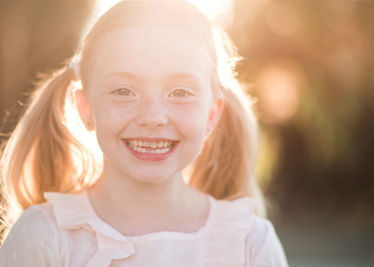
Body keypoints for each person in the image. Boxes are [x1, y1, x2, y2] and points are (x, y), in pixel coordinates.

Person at [0, 0, 288, 266]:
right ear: (85, 109)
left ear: (212, 115)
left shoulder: (251, 243)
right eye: (123, 91)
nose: (153, 118)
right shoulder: (43, 238)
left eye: (180, 92)